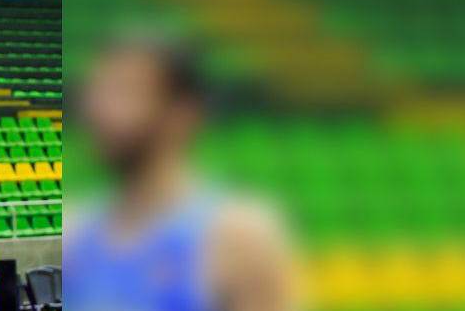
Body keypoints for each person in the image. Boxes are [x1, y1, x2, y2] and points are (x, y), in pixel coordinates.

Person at [64, 38, 296, 311]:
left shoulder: (238, 237)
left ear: (183, 112)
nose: (101, 111)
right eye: (98, 93)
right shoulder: (74, 232)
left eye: (125, 92)